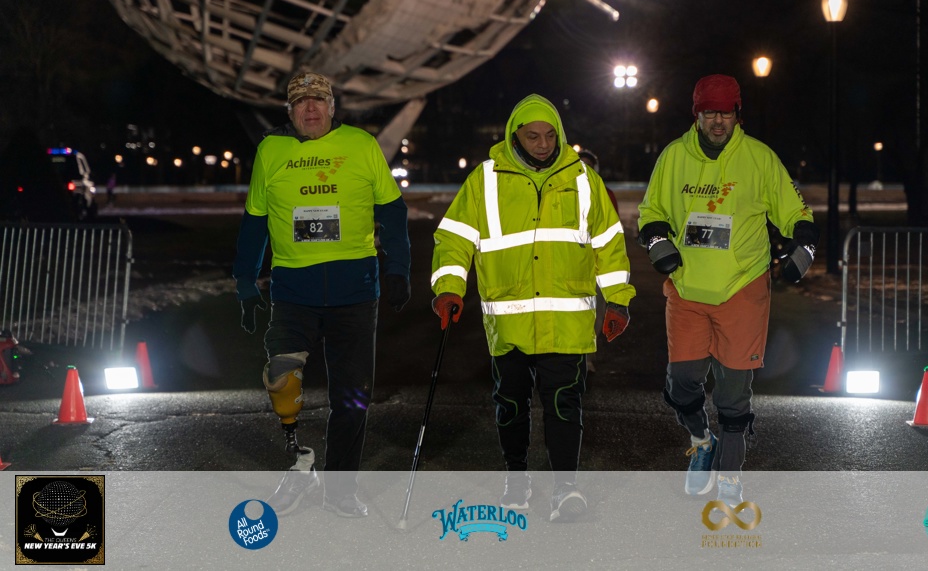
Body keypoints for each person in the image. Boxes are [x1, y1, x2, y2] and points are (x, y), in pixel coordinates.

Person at [430, 94, 635, 522]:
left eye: (550, 136)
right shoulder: (485, 180)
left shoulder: (583, 179)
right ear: (515, 136)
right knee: (511, 405)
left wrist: (618, 299)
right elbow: (454, 239)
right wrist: (448, 287)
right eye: (533, 136)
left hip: (566, 322)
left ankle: (565, 488)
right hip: (510, 322)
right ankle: (516, 478)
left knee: (564, 404)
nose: (543, 144)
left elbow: (609, 244)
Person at [233, 70, 411, 518]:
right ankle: (300, 462)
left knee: (351, 398)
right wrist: (245, 281)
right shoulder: (271, 151)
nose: (309, 108)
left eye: (318, 101)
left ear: (332, 107)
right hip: (294, 291)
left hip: (355, 293)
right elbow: (255, 222)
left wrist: (399, 268)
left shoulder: (361, 145)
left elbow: (393, 211)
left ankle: (341, 490)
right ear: (290, 111)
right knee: (281, 379)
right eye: (300, 102)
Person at [637, 74, 817, 508]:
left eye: (726, 113)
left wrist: (805, 246)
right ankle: (702, 440)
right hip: (687, 287)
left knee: (734, 394)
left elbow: (795, 211)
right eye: (710, 113)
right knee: (682, 384)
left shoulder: (759, 158)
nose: (718, 121)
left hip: (742, 287)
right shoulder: (673, 157)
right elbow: (651, 210)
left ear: (738, 114)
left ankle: (731, 476)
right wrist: (657, 239)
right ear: (696, 115)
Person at [577, 148, 618, 375]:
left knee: (595, 314)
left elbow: (613, 233)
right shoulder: (561, 192)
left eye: (589, 166)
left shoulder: (605, 194)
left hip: (595, 265)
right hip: (570, 264)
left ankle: (587, 358)